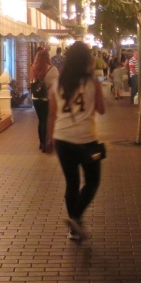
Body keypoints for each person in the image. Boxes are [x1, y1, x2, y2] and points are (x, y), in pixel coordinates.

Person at [45, 41, 105, 240]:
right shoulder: (92, 82)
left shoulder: (57, 84)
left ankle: (73, 227)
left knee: (72, 183)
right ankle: (76, 217)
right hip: (87, 139)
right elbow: (101, 109)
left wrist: (48, 140)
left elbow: (52, 114)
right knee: (93, 181)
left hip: (62, 139)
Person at [29, 49, 59, 151]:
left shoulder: (33, 69)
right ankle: (46, 142)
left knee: (41, 120)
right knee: (46, 120)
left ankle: (41, 142)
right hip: (47, 98)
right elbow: (56, 85)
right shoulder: (53, 69)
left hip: (36, 98)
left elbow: (31, 82)